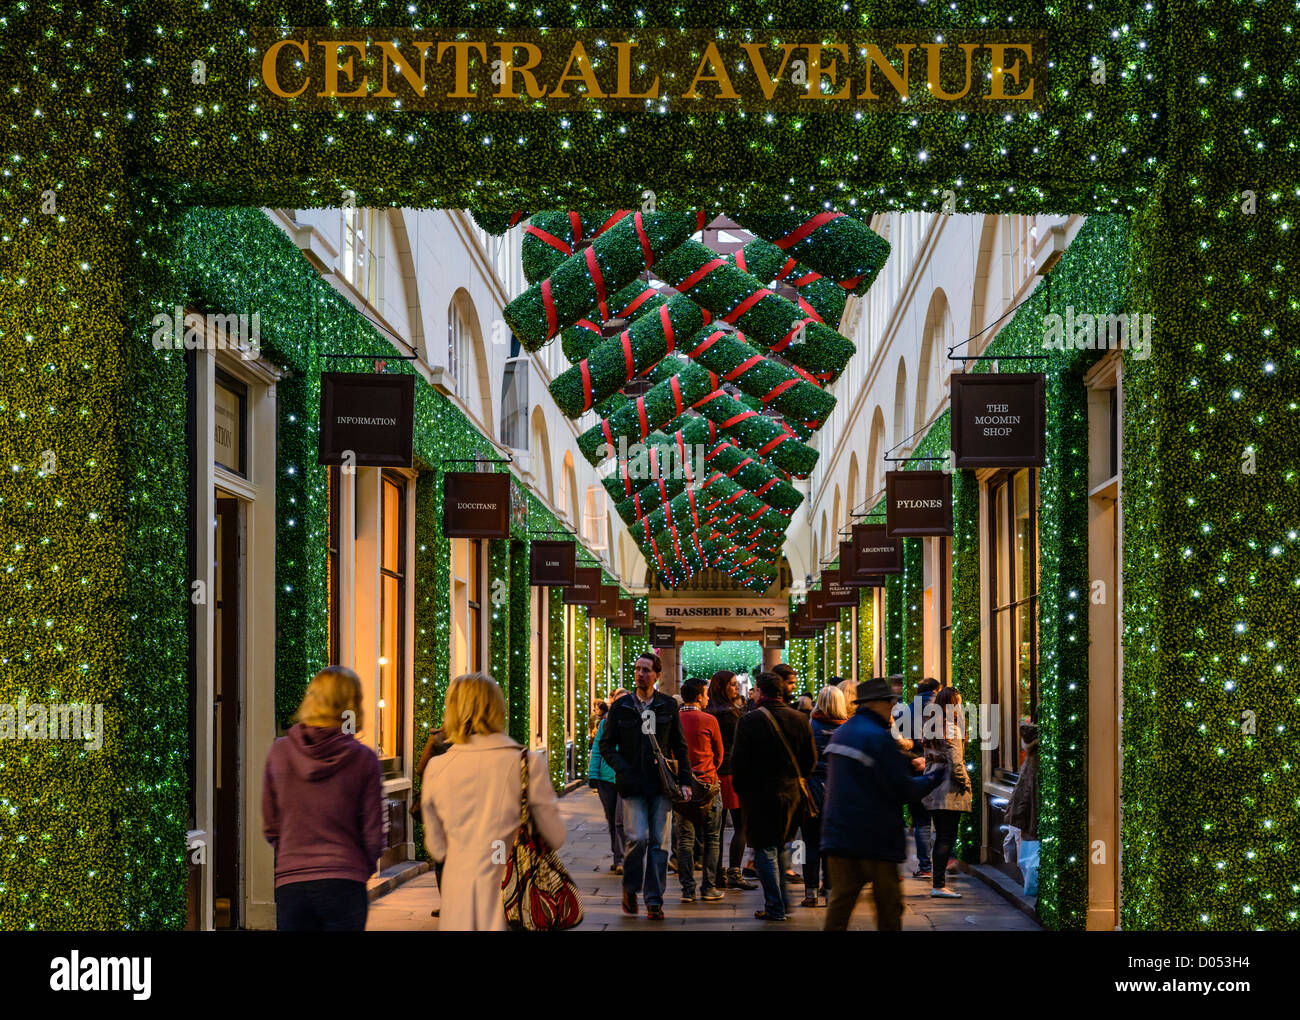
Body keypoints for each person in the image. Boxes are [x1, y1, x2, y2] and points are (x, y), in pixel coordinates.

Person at [421, 672, 565, 930]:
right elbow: (556, 835)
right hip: (513, 895)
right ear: (498, 708)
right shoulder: (528, 763)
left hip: (459, 895)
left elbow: (437, 846)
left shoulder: (437, 767)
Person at [262, 666, 384, 931]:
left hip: (292, 882)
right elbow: (373, 833)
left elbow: (271, 826)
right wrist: (360, 869)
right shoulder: (363, 760)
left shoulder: (279, 753)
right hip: (345, 880)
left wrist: (292, 856)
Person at [820, 677, 946, 931]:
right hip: (874, 838)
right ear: (876, 703)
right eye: (890, 702)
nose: (893, 707)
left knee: (840, 905)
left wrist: (906, 762)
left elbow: (868, 770)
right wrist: (934, 777)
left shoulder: (845, 731)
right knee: (889, 907)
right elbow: (903, 789)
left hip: (839, 835)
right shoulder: (877, 737)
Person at [599, 651, 692, 921]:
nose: (640, 674)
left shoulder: (667, 706)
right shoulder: (622, 706)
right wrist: (622, 768)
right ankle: (630, 887)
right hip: (632, 785)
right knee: (637, 839)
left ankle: (654, 900)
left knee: (659, 844)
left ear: (657, 675)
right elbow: (606, 744)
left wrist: (684, 780)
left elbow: (680, 746)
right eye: (637, 669)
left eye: (646, 670)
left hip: (661, 785)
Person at [731, 670, 816, 921]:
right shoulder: (801, 719)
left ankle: (775, 906)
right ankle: (781, 901)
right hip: (791, 794)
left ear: (760, 691)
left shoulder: (749, 721)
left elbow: (739, 763)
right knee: (780, 845)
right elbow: (810, 761)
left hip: (759, 794)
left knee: (764, 850)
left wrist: (743, 791)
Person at [705, 670, 757, 891]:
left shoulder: (710, 711)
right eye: (733, 684)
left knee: (716, 828)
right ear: (722, 687)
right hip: (732, 772)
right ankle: (734, 871)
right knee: (741, 825)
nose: (737, 688)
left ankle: (717, 874)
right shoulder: (731, 714)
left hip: (715, 772)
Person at [675, 677, 725, 902]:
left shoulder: (674, 719)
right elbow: (719, 754)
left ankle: (687, 889)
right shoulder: (708, 720)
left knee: (685, 839)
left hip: (682, 787)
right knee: (712, 837)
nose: (707, 698)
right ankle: (709, 887)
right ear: (698, 696)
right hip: (708, 785)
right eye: (705, 694)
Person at [922, 685, 973, 898]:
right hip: (949, 789)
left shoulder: (931, 727)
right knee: (947, 836)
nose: (960, 707)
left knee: (940, 835)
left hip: (934, 786)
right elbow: (956, 763)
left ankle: (938, 882)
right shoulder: (952, 728)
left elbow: (927, 759)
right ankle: (939, 885)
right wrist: (966, 783)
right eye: (958, 703)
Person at [799, 685, 848, 906]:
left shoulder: (809, 725)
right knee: (832, 844)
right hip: (839, 791)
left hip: (812, 790)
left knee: (809, 843)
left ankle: (810, 893)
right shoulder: (847, 729)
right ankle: (829, 891)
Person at [893, 676, 940, 878]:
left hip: (914, 773)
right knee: (943, 818)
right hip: (939, 771)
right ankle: (948, 859)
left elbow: (893, 743)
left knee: (921, 820)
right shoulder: (944, 712)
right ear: (936, 691)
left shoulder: (903, 713)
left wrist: (913, 759)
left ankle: (925, 867)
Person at [587, 699, 624, 873]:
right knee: (611, 818)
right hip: (605, 778)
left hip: (624, 778)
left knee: (620, 819)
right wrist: (593, 774)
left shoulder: (633, 724)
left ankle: (621, 859)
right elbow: (597, 749)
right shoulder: (604, 724)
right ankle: (617, 852)